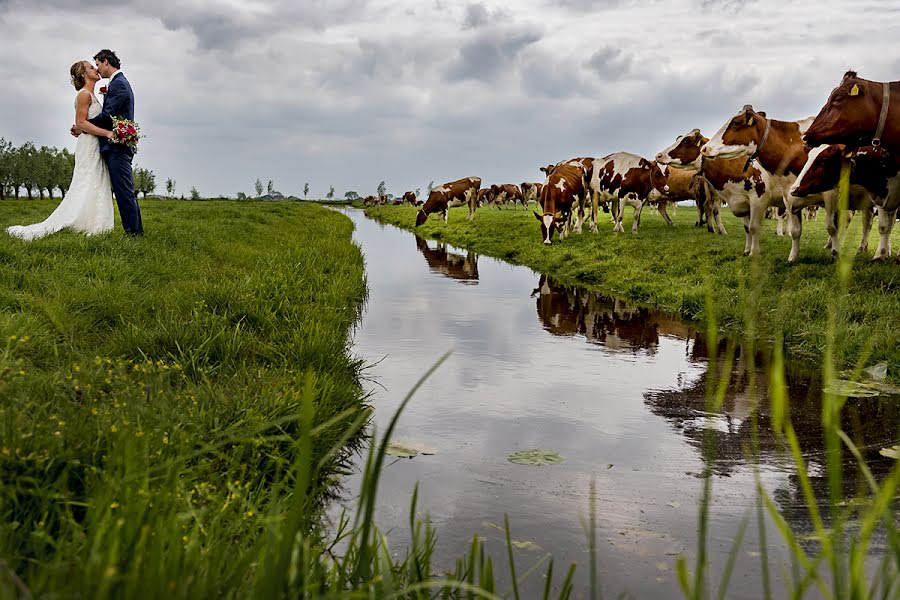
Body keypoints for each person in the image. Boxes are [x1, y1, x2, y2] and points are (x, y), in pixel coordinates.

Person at [6, 61, 115, 240]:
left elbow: (85, 123)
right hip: (88, 145)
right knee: (86, 180)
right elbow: (81, 122)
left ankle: (94, 224)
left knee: (96, 180)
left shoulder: (93, 95)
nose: (96, 69)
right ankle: (79, 222)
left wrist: (85, 128)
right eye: (91, 67)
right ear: (82, 74)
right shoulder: (84, 95)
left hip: (94, 143)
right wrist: (107, 133)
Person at [75, 49, 143, 236]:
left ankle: (133, 233)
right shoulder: (117, 83)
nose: (97, 68)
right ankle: (136, 231)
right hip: (115, 145)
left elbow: (107, 116)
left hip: (117, 146)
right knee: (124, 189)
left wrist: (82, 125)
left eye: (97, 64)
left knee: (123, 191)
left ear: (106, 62)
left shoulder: (119, 84)